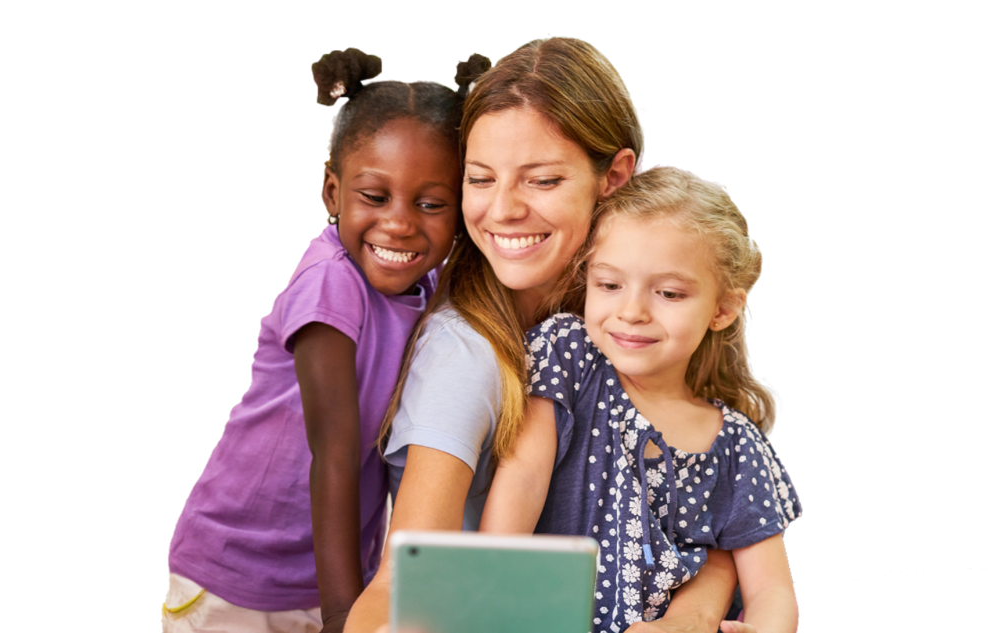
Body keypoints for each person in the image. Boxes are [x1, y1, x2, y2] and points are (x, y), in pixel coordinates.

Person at [346, 37, 750, 633]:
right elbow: (402, 583)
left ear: (614, 176)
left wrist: (697, 610)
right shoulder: (468, 354)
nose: (504, 209)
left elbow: (722, 506)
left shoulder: (635, 327)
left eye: (541, 181)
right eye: (480, 179)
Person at [162, 48, 463, 633]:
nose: (400, 223)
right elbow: (336, 452)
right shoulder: (331, 283)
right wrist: (343, 615)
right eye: (375, 197)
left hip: (329, 571)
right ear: (331, 192)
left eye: (431, 204)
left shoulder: (428, 284)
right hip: (239, 571)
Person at [480, 166, 802, 633]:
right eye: (609, 285)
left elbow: (771, 589)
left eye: (669, 293)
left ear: (723, 309)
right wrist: (487, 588)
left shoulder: (737, 445)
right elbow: (524, 476)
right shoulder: (570, 356)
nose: (631, 312)